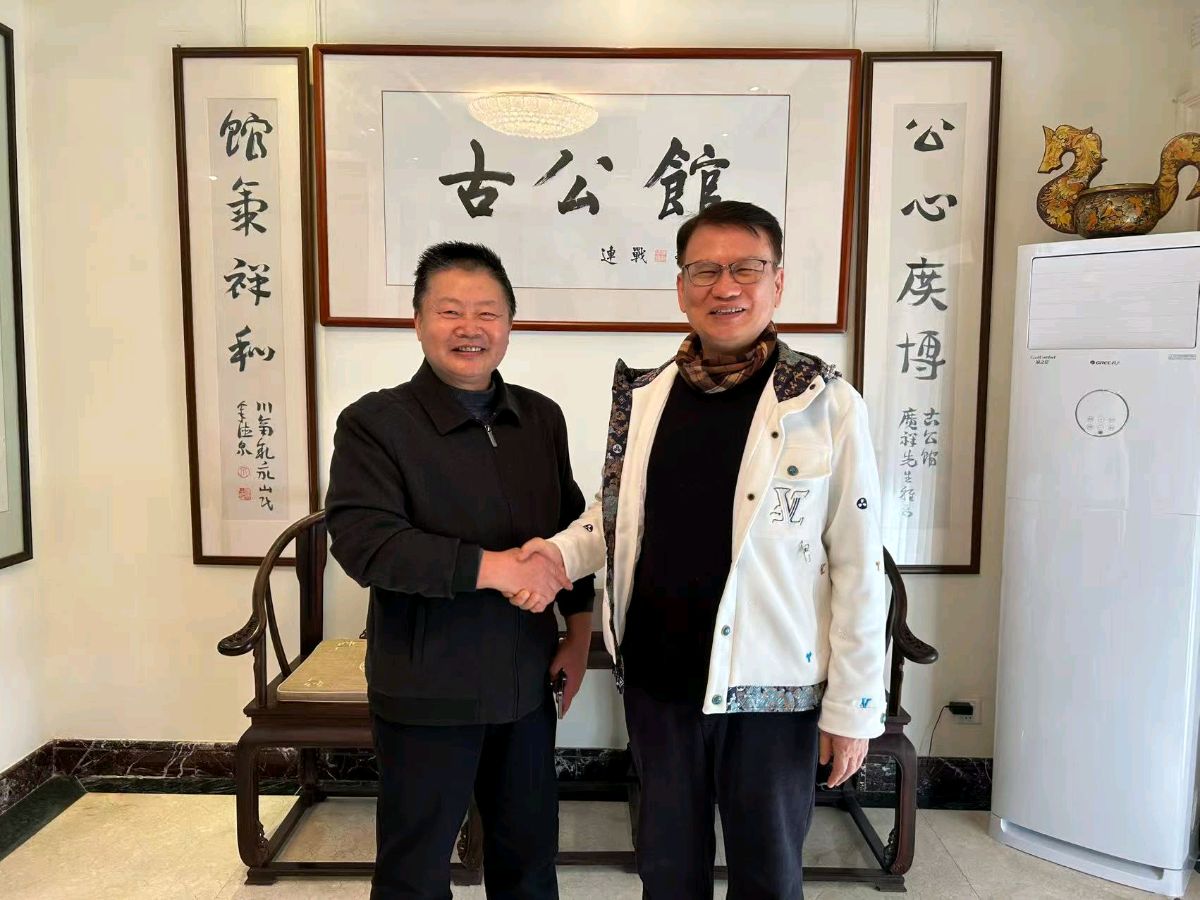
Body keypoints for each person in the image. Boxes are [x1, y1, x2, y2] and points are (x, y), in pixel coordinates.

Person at [521, 201, 888, 899]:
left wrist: (853, 710)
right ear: (681, 287)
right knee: (666, 872)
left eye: (746, 268)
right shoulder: (646, 395)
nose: (726, 287)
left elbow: (858, 562)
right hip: (660, 681)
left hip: (773, 691)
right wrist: (554, 557)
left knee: (769, 876)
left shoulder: (825, 402)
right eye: (705, 271)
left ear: (778, 283)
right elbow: (614, 518)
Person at [325, 241, 594, 900]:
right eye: (450, 311)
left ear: (509, 325)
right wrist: (497, 569)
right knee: (414, 872)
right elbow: (365, 543)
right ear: (418, 322)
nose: (470, 328)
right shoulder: (375, 423)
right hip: (426, 687)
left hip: (524, 683)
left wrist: (580, 633)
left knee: (529, 862)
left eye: (487, 312)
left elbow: (573, 531)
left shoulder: (540, 417)